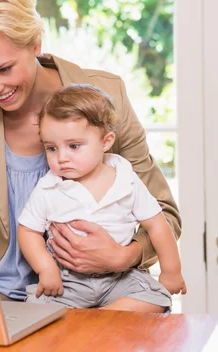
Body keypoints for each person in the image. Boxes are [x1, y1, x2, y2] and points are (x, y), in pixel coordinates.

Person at [0, 0, 182, 309]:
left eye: (4, 69)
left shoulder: (107, 96)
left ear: (35, 44)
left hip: (108, 290)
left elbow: (164, 213)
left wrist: (123, 257)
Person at [17, 84, 186, 311]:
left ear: (105, 142)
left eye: (74, 146)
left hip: (120, 278)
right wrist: (46, 268)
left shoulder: (126, 179)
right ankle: (94, 322)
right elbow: (28, 230)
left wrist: (171, 270)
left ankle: (101, 318)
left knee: (157, 298)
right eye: (51, 148)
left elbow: (157, 225)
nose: (61, 158)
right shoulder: (49, 187)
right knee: (37, 310)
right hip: (68, 281)